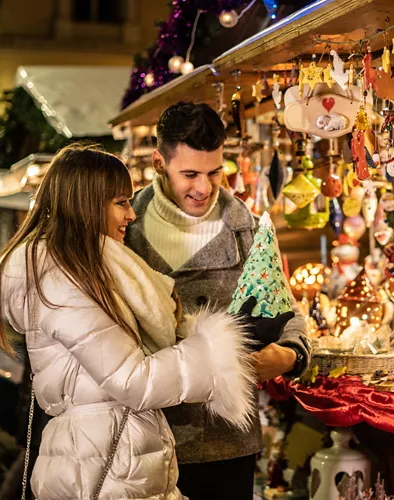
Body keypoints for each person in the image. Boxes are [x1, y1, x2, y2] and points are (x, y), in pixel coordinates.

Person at [0, 144, 259, 500]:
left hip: (107, 457)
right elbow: (132, 380)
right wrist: (217, 347)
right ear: (87, 204)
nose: (131, 214)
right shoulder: (64, 280)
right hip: (102, 465)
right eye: (120, 202)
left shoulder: (83, 270)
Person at [126, 102, 311, 499]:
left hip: (227, 440)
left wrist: (291, 355)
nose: (204, 188)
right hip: (144, 437)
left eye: (214, 172)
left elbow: (285, 311)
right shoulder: (125, 224)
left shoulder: (246, 227)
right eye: (189, 174)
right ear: (160, 162)